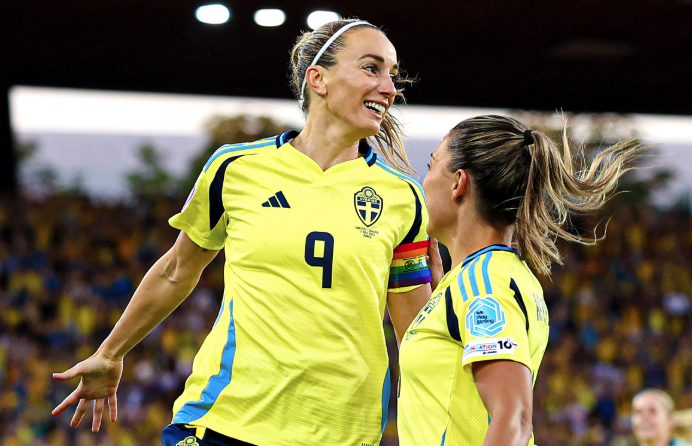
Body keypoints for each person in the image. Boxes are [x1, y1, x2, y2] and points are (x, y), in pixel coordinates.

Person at [51, 18, 438, 446]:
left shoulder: (403, 196)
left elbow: (415, 334)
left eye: (392, 75)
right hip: (223, 420)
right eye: (371, 68)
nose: (389, 88)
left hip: (341, 432)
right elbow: (177, 270)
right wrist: (110, 353)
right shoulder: (235, 168)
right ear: (318, 79)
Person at [397, 115, 645, 446]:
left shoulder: (483, 285)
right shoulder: (483, 279)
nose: (423, 180)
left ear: (459, 182)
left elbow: (513, 419)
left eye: (431, 165)